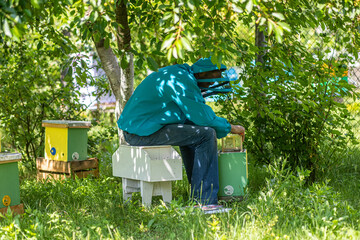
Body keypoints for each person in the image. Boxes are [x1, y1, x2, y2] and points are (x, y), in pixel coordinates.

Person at [117, 57, 245, 205]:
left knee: (197, 132)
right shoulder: (183, 81)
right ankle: (206, 201)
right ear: (202, 73)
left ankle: (198, 193)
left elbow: (194, 118)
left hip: (140, 129)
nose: (211, 85)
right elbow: (203, 117)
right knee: (206, 134)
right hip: (140, 134)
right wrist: (232, 128)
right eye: (210, 80)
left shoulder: (179, 74)